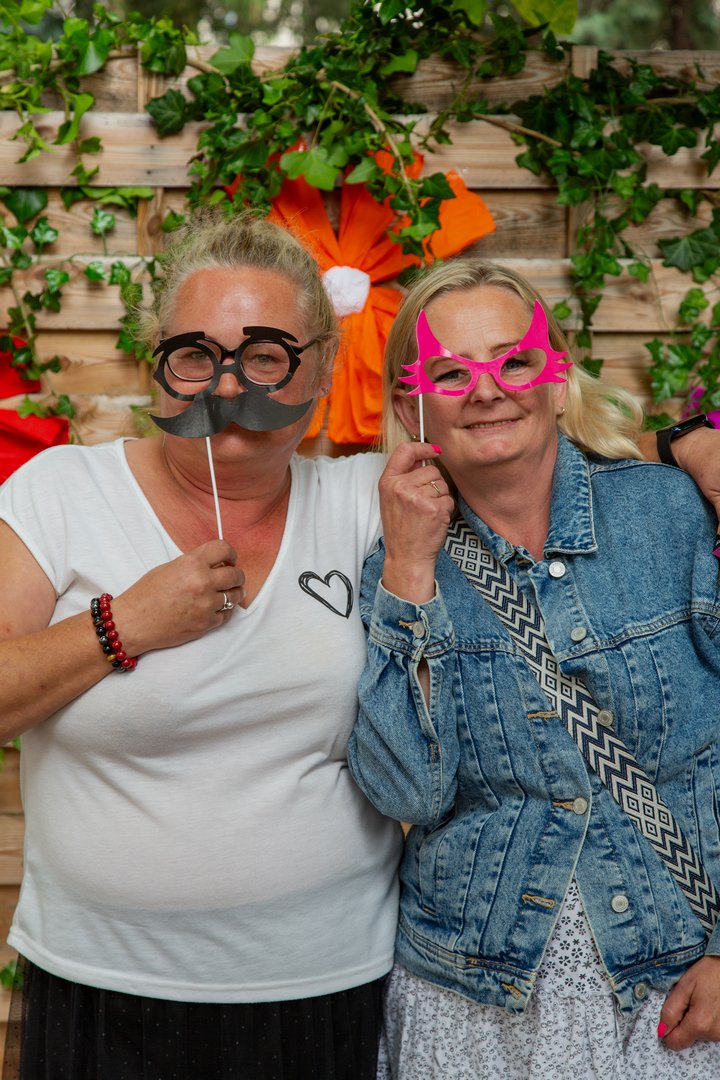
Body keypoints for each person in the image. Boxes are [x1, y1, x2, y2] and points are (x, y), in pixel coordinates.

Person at [0, 208, 403, 1080]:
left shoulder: (370, 501)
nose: (225, 386)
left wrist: (688, 447)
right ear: (157, 362)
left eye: (264, 357)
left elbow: (536, 467)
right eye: (195, 354)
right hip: (101, 985)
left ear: (322, 369)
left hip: (328, 985)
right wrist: (124, 624)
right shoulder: (60, 492)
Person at [346, 257, 720, 1079]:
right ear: (413, 406)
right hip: (470, 1000)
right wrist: (409, 571)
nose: (487, 390)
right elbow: (405, 791)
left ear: (555, 378)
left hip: (674, 986)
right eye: (451, 372)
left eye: (514, 361)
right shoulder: (399, 564)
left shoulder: (669, 513)